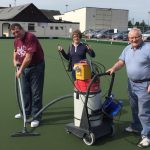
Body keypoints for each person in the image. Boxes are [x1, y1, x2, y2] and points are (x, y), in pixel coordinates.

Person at [107, 28, 150, 148]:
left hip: (145, 85)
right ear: (129, 38)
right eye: (131, 38)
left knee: (144, 111)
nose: (134, 40)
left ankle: (146, 135)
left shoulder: (148, 48)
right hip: (131, 84)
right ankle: (136, 126)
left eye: (136, 37)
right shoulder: (127, 49)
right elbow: (121, 62)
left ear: (141, 37)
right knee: (134, 107)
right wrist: (113, 68)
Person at [10, 23, 45, 128]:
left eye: (17, 31)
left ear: (22, 29)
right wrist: (15, 61)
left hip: (36, 67)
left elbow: (29, 57)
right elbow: (15, 52)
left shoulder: (30, 37)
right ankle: (25, 113)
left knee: (36, 92)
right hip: (24, 68)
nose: (16, 34)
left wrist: (20, 70)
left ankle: (36, 117)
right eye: (14, 33)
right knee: (25, 92)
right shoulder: (16, 40)